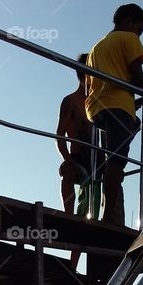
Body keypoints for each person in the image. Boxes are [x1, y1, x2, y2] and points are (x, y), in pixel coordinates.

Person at [85, 3, 143, 226]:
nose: (139, 34)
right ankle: (108, 217)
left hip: (97, 108)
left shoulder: (97, 47)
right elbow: (136, 72)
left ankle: (112, 168)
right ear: (128, 21)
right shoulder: (128, 38)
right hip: (117, 106)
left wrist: (135, 102)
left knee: (134, 124)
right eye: (139, 28)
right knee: (117, 162)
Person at [56, 54, 98, 268]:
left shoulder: (100, 102)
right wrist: (67, 158)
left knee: (89, 218)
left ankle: (74, 263)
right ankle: (67, 216)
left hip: (98, 162)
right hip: (78, 157)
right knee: (68, 171)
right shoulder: (70, 101)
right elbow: (60, 134)